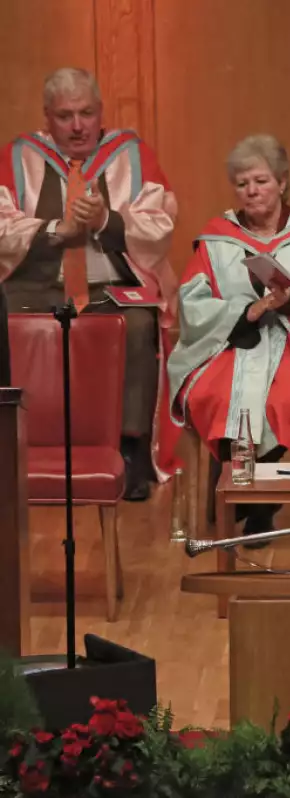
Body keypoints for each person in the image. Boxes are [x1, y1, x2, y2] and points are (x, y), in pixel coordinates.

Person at [163, 134, 290, 536]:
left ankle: (259, 504)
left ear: (282, 182)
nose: (252, 191)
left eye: (261, 181)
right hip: (233, 343)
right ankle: (243, 495)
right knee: (217, 395)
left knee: (284, 397)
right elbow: (192, 303)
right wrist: (245, 310)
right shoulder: (217, 238)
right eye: (242, 184)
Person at [0, 67, 177, 500]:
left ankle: (129, 450)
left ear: (101, 112)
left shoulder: (132, 155)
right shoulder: (17, 156)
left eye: (86, 113)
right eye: (65, 116)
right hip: (34, 285)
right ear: (47, 117)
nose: (78, 126)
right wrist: (56, 230)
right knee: (4, 321)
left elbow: (161, 221)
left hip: (109, 287)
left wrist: (106, 220)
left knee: (136, 324)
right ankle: (14, 448)